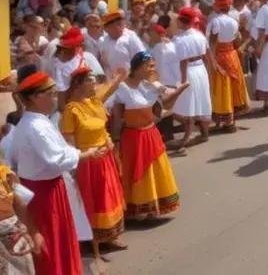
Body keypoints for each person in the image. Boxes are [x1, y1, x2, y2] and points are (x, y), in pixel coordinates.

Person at [8, 71, 97, 275]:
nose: (55, 98)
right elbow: (56, 159)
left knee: (60, 240)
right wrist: (85, 154)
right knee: (52, 243)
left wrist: (76, 153)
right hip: (44, 194)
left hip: (45, 189)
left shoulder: (35, 122)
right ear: (34, 97)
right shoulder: (36, 126)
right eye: (51, 94)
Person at [60, 67, 127, 263]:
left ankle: (111, 237)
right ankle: (94, 242)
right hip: (88, 161)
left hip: (105, 157)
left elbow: (101, 125)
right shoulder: (71, 110)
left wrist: (108, 141)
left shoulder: (94, 102)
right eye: (91, 81)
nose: (95, 84)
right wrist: (81, 158)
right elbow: (70, 142)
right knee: (94, 199)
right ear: (79, 84)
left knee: (110, 196)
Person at [109, 51, 184, 220]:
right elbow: (117, 117)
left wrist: (178, 92)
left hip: (151, 133)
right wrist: (116, 140)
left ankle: (153, 207)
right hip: (133, 137)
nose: (152, 69)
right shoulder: (122, 88)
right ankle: (138, 209)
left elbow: (161, 109)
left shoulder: (150, 85)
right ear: (139, 67)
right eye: (149, 66)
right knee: (137, 172)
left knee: (154, 170)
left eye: (153, 66)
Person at [171, 7, 213, 149]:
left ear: (182, 22)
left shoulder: (180, 39)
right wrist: (209, 71)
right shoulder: (199, 34)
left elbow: (183, 61)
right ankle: (204, 132)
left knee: (188, 103)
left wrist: (183, 81)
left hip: (189, 71)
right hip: (201, 69)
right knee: (201, 99)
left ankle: (186, 137)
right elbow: (207, 53)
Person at [207, 0, 248, 132]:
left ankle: (226, 120)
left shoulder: (215, 22)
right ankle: (232, 120)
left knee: (222, 87)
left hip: (220, 56)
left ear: (218, 6)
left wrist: (211, 62)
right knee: (233, 85)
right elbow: (237, 39)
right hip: (232, 55)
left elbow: (212, 44)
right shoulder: (233, 21)